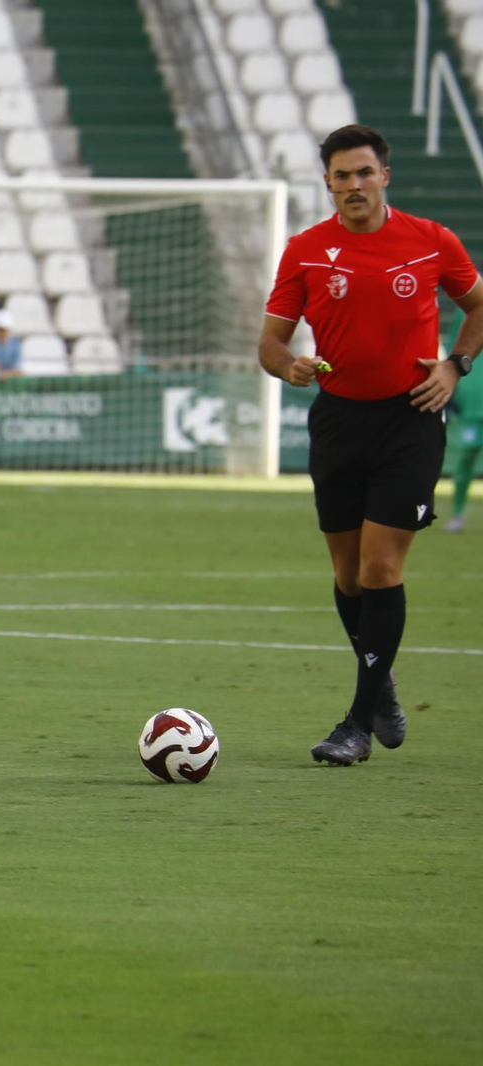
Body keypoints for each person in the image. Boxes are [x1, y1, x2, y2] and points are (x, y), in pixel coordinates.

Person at [258, 124, 481, 766]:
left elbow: (478, 306)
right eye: (341, 175)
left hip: (410, 419)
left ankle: (356, 725)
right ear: (328, 183)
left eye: (364, 172)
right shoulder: (305, 251)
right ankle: (378, 681)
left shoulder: (431, 240)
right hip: (337, 422)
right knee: (348, 576)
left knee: (380, 569)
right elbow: (270, 343)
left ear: (385, 175)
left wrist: (455, 365)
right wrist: (289, 366)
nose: (354, 185)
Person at [442, 313, 483, 533]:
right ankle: (457, 514)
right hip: (474, 397)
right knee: (468, 454)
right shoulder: (467, 309)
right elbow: (454, 349)